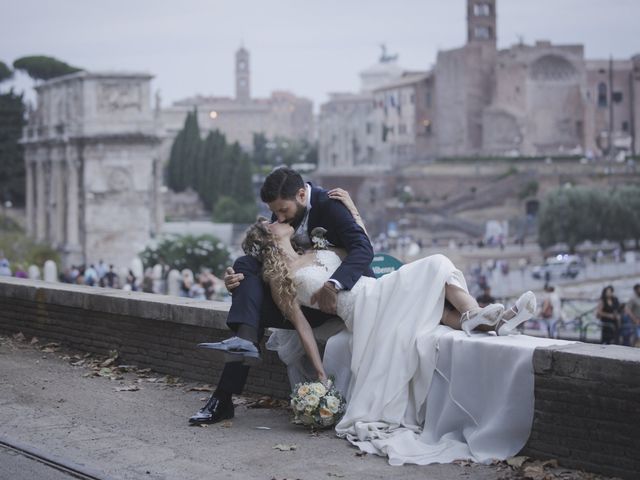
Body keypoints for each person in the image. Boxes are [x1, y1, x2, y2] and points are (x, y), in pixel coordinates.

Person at [189, 167, 374, 425]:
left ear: (301, 194)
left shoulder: (330, 205)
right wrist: (234, 282)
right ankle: (233, 369)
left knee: (249, 309)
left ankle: (227, 385)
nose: (278, 217)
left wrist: (334, 285)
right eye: (274, 212)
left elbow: (363, 250)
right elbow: (267, 252)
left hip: (330, 298)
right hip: (297, 296)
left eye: (282, 211)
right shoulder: (282, 212)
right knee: (244, 267)